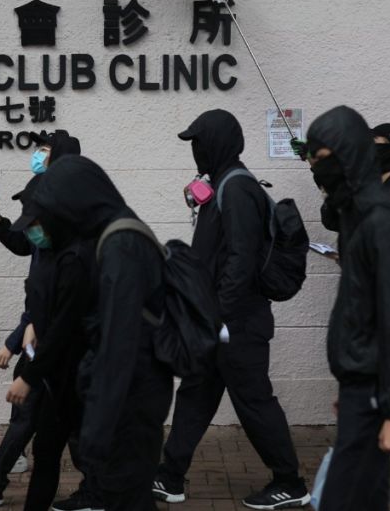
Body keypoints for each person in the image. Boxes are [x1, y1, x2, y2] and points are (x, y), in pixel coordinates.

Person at [154, 109, 310, 509]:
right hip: (219, 320)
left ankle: (290, 482)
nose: (196, 150)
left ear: (218, 142)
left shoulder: (237, 188)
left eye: (199, 142)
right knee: (196, 394)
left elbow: (240, 260)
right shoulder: (221, 183)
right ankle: (170, 476)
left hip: (237, 323)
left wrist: (216, 315)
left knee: (254, 401)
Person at [24, 155, 173, 511]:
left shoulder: (120, 242)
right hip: (131, 398)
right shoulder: (114, 234)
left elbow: (119, 344)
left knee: (126, 495)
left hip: (130, 405)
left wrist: (98, 427)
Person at [303, 106, 390, 511]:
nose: (317, 169)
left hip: (377, 393)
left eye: (322, 159)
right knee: (363, 497)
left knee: (345, 496)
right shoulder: (357, 215)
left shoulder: (381, 220)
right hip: (363, 388)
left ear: (348, 155)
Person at [0, 130, 84, 507]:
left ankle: (102, 487)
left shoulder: (69, 222)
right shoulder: (46, 215)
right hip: (41, 330)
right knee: (41, 421)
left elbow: (55, 293)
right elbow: (22, 244)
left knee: (61, 424)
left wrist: (20, 337)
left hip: (52, 338)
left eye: (43, 149)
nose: (36, 155)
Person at [4, 176, 94, 511]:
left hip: (82, 371)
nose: (31, 233)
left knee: (92, 450)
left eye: (36, 224)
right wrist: (30, 326)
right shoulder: (53, 253)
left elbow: (65, 327)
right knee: (47, 450)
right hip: (61, 373)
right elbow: (45, 310)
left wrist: (28, 375)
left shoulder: (76, 258)